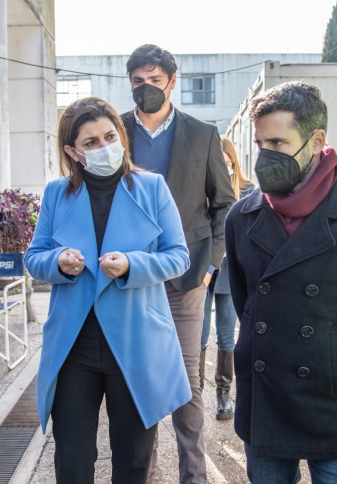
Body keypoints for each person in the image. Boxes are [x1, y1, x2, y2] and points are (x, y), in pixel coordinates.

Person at [225, 80, 337, 483]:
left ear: (316, 140)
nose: (265, 157)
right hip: (267, 401)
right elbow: (247, 302)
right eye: (260, 145)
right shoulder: (240, 218)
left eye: (277, 143)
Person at [25, 96, 192, 483]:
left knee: (133, 462)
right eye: (91, 142)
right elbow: (34, 257)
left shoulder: (152, 188)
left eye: (109, 136)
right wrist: (59, 262)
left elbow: (178, 257)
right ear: (72, 151)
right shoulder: (56, 194)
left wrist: (134, 265)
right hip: (74, 347)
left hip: (136, 342)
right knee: (72, 460)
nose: (104, 147)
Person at [120, 44, 235, 483]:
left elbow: (224, 205)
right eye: (137, 81)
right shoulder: (117, 133)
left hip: (187, 276)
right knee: (136, 379)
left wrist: (211, 265)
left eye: (154, 80)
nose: (145, 88)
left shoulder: (202, 134)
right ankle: (141, 473)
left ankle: (194, 475)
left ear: (172, 81)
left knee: (187, 383)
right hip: (130, 279)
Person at [200, 136, 255, 421]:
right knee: (198, 335)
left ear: (233, 161)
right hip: (202, 270)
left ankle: (223, 393)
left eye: (227, 161)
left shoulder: (246, 191)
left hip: (230, 273)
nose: (223, 166)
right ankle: (194, 394)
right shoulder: (201, 189)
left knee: (225, 333)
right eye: (217, 162)